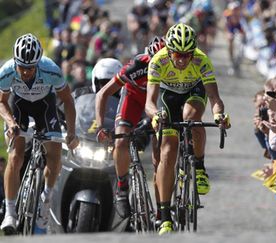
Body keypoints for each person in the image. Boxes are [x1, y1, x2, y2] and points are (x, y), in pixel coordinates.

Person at [145, 23, 230, 235]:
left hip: (194, 90)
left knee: (192, 118)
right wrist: (156, 115)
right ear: (169, 51)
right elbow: (150, 102)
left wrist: (219, 115)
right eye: (178, 55)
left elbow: (214, 98)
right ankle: (165, 216)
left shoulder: (201, 59)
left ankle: (199, 167)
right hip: (168, 96)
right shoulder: (158, 60)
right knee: (167, 150)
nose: (182, 60)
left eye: (187, 55)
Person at [0, 33, 79, 235]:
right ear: (15, 62)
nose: (26, 72)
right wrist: (11, 124)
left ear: (38, 63)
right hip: (18, 108)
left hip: (45, 107)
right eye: (22, 67)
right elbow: (1, 101)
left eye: (30, 68)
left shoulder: (51, 70)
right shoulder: (7, 71)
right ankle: (10, 213)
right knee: (15, 156)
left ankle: (45, 201)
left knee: (54, 156)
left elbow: (68, 101)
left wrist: (71, 132)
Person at [95, 36, 166, 229]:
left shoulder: (173, 68)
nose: (157, 67)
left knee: (161, 158)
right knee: (121, 142)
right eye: (154, 63)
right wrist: (101, 126)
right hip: (134, 101)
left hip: (158, 105)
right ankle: (122, 188)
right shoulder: (135, 66)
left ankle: (162, 210)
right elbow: (103, 94)